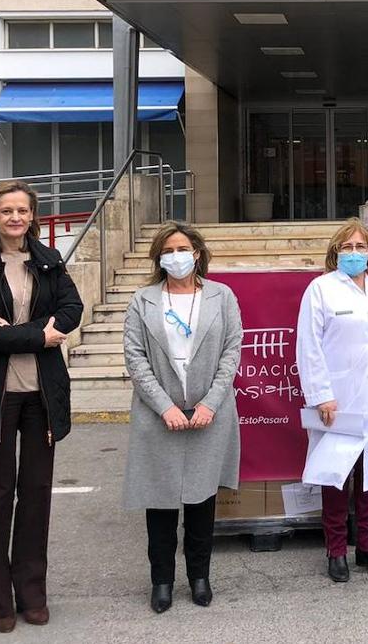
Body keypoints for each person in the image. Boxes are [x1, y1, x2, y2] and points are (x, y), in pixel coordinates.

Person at [0, 180, 83, 633]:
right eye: (6, 210)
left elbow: (72, 309)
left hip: (41, 395)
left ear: (33, 216)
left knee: (36, 496)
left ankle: (32, 593)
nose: (15, 218)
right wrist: (36, 335)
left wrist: (9, 329)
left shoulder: (49, 262)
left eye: (23, 211)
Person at [121, 222, 243, 613]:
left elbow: (231, 352)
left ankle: (199, 577)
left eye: (183, 248)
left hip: (210, 413)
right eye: (169, 249)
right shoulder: (143, 300)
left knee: (201, 501)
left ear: (197, 253)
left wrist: (210, 403)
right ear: (159, 256)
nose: (176, 256)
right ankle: (161, 581)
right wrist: (166, 407)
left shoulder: (222, 297)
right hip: (160, 415)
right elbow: (135, 358)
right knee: (159, 503)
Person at [296, 217, 368, 583]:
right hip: (339, 401)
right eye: (346, 247)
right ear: (335, 253)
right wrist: (321, 396)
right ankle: (336, 551)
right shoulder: (320, 289)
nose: (353, 253)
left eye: (360, 247)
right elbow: (309, 346)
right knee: (336, 476)